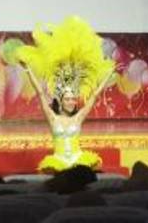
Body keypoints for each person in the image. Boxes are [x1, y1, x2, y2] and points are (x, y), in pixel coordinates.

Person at [18, 16, 115, 173]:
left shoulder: (78, 117)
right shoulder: (53, 118)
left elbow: (94, 95)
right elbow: (40, 93)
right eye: (68, 99)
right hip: (58, 162)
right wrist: (28, 71)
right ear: (61, 101)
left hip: (78, 160)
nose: (71, 101)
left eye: (73, 99)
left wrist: (108, 75)